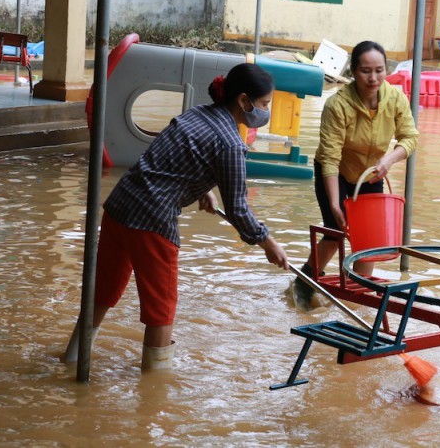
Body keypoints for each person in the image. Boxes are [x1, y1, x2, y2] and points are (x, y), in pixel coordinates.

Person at [64, 63, 288, 370]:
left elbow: (170, 159)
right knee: (161, 310)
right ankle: (154, 390)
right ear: (243, 101)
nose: (265, 112)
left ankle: (71, 360)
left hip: (121, 204)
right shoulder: (231, 144)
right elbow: (238, 209)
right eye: (263, 104)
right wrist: (268, 243)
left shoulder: (196, 114)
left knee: (102, 292)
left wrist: (202, 189)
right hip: (153, 221)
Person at [292, 41, 419, 309]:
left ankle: (358, 295)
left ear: (386, 70)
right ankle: (304, 284)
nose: (373, 78)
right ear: (353, 72)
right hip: (335, 171)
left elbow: (410, 138)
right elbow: (330, 158)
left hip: (371, 173)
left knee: (369, 239)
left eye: (379, 70)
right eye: (365, 71)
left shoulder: (396, 98)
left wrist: (388, 160)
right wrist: (335, 204)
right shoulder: (337, 105)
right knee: (334, 232)